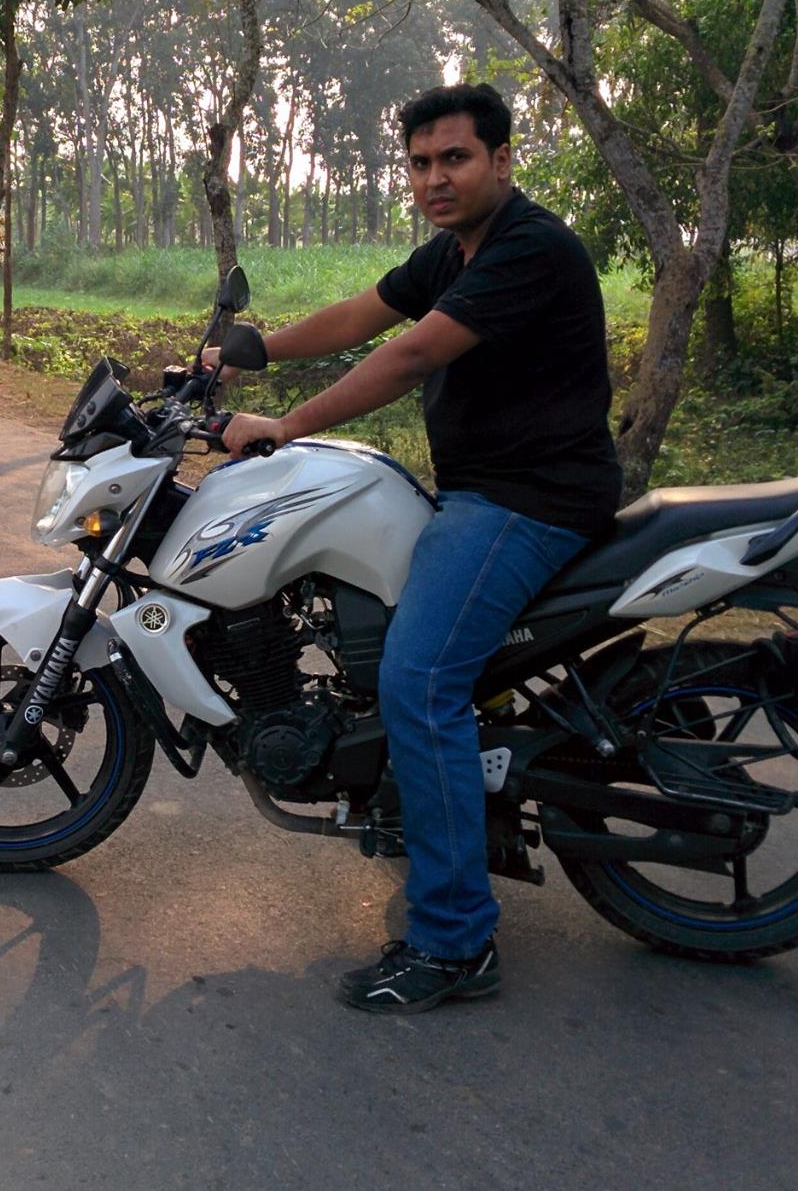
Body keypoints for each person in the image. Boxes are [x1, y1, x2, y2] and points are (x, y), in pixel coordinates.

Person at [211, 82, 621, 1014]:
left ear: (502, 160)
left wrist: (286, 424)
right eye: (421, 162)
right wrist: (250, 350)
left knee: (419, 680)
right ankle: (436, 815)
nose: (435, 177)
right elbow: (362, 315)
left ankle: (453, 940)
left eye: (455, 158)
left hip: (527, 501)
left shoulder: (529, 247)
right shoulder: (456, 250)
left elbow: (408, 355)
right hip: (487, 491)